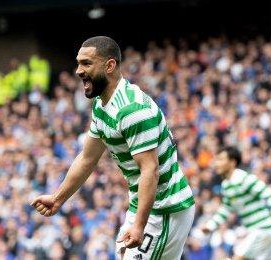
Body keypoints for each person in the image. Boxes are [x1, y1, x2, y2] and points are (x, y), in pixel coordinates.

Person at [31, 36, 195, 260]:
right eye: (78, 63)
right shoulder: (101, 104)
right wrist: (58, 198)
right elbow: (88, 158)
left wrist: (139, 225)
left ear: (110, 66)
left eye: (87, 63)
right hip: (144, 206)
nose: (78, 70)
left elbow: (150, 170)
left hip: (165, 208)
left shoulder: (132, 110)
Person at [200, 146, 271, 260]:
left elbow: (268, 194)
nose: (217, 163)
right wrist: (210, 225)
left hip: (262, 229)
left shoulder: (244, 178)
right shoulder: (226, 185)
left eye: (221, 159)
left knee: (238, 257)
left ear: (232, 162)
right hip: (263, 232)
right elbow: (226, 209)